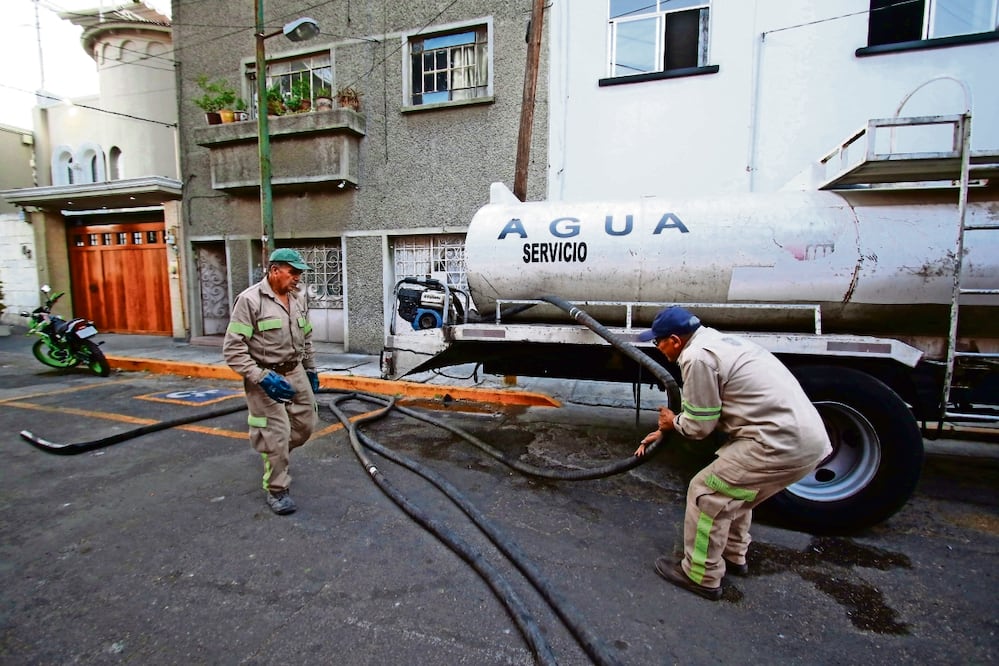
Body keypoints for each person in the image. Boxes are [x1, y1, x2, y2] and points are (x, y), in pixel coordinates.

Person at [634, 306, 832, 600]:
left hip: (777, 442)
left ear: (674, 340)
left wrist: (672, 422)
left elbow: (700, 426)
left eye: (658, 342)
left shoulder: (697, 357)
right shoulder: (717, 341)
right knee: (735, 492)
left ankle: (701, 574)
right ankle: (731, 555)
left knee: (707, 493)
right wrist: (671, 428)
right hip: (805, 440)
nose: (658, 348)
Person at [223, 248, 320, 515]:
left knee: (306, 426)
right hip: (265, 374)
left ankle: (275, 453)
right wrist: (261, 378)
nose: (298, 278)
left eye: (300, 273)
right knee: (276, 434)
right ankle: (277, 489)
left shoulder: (297, 298)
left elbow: (307, 337)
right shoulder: (250, 301)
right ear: (275, 270)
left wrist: (311, 369)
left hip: (295, 370)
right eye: (293, 272)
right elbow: (233, 350)